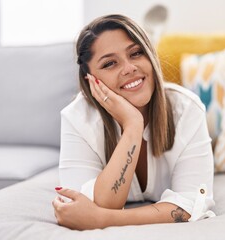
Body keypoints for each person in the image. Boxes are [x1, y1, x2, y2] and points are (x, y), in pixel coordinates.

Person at [52, 14, 215, 230]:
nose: (129, 68)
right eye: (110, 63)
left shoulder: (186, 109)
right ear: (90, 79)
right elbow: (95, 204)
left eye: (136, 53)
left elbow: (192, 206)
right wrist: (133, 126)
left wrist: (103, 219)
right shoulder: (77, 118)